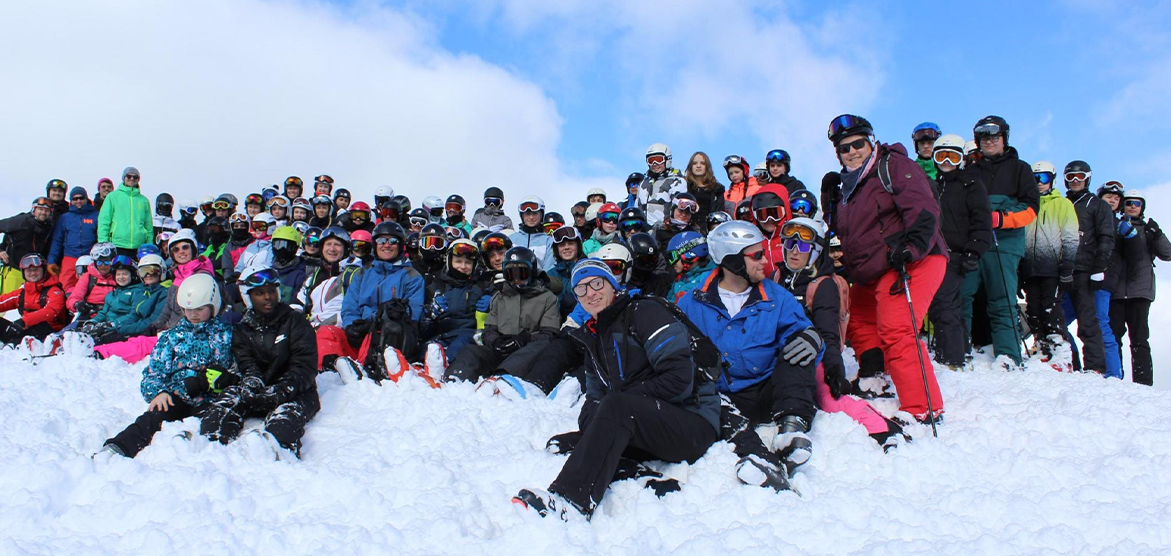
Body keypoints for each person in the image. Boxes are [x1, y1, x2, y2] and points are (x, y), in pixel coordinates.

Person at [512, 258, 719, 520]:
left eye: (597, 283)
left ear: (612, 285)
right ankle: (632, 469)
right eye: (581, 289)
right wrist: (596, 419)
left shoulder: (644, 313)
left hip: (692, 422)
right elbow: (594, 398)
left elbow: (679, 380)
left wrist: (617, 405)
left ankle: (571, 501)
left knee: (616, 407)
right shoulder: (593, 337)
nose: (591, 293)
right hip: (649, 422)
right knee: (568, 439)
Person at [675, 221, 819, 491]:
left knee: (797, 351)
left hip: (766, 390)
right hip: (721, 398)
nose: (765, 261)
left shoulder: (776, 296)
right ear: (731, 260)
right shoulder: (693, 301)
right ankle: (752, 451)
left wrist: (811, 337)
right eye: (756, 255)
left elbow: (800, 329)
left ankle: (791, 427)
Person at [821, 114, 947, 422]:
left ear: (871, 142)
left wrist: (912, 247)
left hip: (914, 260)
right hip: (874, 270)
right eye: (844, 148)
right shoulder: (848, 188)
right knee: (857, 316)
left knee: (897, 328)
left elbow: (923, 208)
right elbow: (845, 232)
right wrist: (830, 201)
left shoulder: (893, 166)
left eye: (858, 144)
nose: (852, 152)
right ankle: (876, 374)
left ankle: (922, 408)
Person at [772, 218, 909, 451]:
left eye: (803, 246)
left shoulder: (823, 285)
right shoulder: (777, 277)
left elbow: (828, 331)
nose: (794, 251)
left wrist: (834, 369)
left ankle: (882, 427)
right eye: (789, 244)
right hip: (781, 352)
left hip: (813, 353)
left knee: (828, 401)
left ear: (815, 251)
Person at [96, 274, 236, 459]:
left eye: (200, 309)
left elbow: (239, 369)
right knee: (154, 416)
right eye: (188, 309)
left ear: (213, 306)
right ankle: (119, 448)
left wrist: (228, 378)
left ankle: (197, 451)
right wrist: (159, 392)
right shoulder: (172, 337)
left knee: (220, 420)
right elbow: (153, 373)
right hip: (179, 395)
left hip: (212, 399)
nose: (193, 314)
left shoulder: (227, 335)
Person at [200, 267, 320, 458]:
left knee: (286, 415)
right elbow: (247, 363)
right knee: (228, 399)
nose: (267, 298)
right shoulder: (243, 328)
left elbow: (305, 365)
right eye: (259, 293)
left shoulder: (294, 321)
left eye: (272, 291)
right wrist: (252, 381)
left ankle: (278, 449)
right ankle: (210, 443)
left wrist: (283, 389)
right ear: (249, 297)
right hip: (261, 387)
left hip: (295, 390)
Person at [962, 116, 1040, 370]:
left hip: (1004, 244)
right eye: (985, 138)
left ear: (1004, 139)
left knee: (1002, 299)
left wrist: (1000, 216)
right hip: (973, 243)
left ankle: (1008, 355)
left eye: (995, 137)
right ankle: (959, 350)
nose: (990, 142)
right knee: (961, 296)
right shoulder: (970, 172)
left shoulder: (1020, 169)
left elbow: (1030, 209)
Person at [444, 247, 559, 384]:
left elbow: (549, 334)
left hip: (526, 350)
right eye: (511, 274)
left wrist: (523, 340)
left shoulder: (547, 298)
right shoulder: (499, 297)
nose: (516, 279)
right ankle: (457, 376)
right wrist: (495, 342)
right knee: (471, 350)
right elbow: (489, 330)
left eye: (521, 273)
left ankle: (503, 379)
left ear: (531, 272)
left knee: (540, 347)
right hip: (500, 348)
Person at [927, 135, 992, 369]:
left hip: (956, 254)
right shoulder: (932, 186)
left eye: (952, 156)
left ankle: (951, 358)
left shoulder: (971, 184)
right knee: (943, 304)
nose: (946, 161)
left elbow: (981, 221)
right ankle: (959, 350)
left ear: (961, 159)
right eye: (940, 155)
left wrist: (973, 251)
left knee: (945, 305)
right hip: (932, 255)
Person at [331, 221, 425, 378]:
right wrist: (351, 325)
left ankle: (365, 370)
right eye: (382, 241)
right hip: (361, 333)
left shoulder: (411, 276)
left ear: (400, 245)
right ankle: (329, 371)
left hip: (390, 336)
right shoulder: (363, 274)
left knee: (389, 328)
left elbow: (414, 313)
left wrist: (382, 317)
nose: (386, 245)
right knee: (329, 333)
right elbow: (350, 306)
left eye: (392, 241)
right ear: (375, 245)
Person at [1062, 160, 1116, 377]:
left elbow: (1106, 237)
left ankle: (1095, 367)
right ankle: (1070, 363)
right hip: (1062, 270)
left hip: (1085, 270)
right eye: (1070, 177)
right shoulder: (1062, 203)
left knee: (1088, 321)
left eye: (1080, 176)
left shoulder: (1097, 205)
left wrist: (1099, 268)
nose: (1075, 181)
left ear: (1088, 178)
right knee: (1058, 321)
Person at [1110, 189, 1170, 385]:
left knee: (1140, 339)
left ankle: (1143, 383)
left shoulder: (1148, 230)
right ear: (1123, 206)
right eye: (1129, 203)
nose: (1133, 206)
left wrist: (1157, 233)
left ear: (1142, 206)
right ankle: (1115, 378)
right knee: (1114, 336)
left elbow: (1168, 254)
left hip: (1140, 292)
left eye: (1137, 203)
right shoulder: (1115, 227)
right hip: (1116, 291)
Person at [1021, 161, 1079, 362]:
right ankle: (1042, 346)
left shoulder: (1062, 204)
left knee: (1050, 307)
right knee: (1033, 309)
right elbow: (1020, 238)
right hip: (1030, 268)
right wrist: (1020, 270)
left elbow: (1071, 237)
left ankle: (1060, 350)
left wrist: (1067, 267)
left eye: (1043, 178)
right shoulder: (1027, 205)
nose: (1039, 183)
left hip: (1052, 267)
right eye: (1034, 178)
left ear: (1052, 180)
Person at [419, 238, 487, 364]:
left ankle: (447, 365)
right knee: (427, 349)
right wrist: (430, 314)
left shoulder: (481, 286)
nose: (463, 267)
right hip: (443, 332)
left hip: (467, 333)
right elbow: (423, 327)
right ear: (449, 261)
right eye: (458, 261)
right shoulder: (436, 285)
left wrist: (490, 302)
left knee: (458, 347)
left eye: (468, 263)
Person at [79, 254, 168, 345]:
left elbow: (150, 320)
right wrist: (94, 322)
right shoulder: (143, 292)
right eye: (143, 272)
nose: (148, 275)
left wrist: (116, 327)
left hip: (145, 332)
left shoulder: (161, 292)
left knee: (100, 342)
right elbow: (134, 315)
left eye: (153, 271)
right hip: (130, 328)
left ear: (162, 271)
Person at [0, 254, 69, 343]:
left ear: (43, 270)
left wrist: (24, 321)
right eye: (29, 270)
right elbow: (3, 302)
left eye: (36, 270)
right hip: (26, 330)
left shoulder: (55, 291)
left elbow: (51, 311)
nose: (32, 273)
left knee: (40, 327)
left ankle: (14, 345)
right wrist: (22, 323)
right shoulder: (22, 293)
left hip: (50, 335)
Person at [0, 197, 55, 295]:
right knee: (7, 305)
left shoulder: (48, 227)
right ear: (34, 209)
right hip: (14, 271)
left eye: (47, 210)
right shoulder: (21, 221)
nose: (43, 213)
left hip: (35, 274)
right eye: (40, 209)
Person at [97, 167, 153, 258]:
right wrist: (103, 243)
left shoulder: (144, 200)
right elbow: (104, 220)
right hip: (117, 245)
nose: (131, 179)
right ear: (124, 178)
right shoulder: (113, 197)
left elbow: (148, 225)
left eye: (135, 177)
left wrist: (149, 244)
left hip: (138, 246)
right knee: (120, 271)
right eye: (129, 176)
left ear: (138, 179)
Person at [637, 143, 688, 228]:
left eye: (658, 159)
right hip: (644, 231)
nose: (654, 163)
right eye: (651, 160)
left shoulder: (676, 181)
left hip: (665, 231)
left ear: (667, 159)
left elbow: (680, 210)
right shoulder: (643, 183)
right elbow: (637, 207)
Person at [67, 242, 119, 321]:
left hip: (115, 317)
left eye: (107, 262)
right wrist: (77, 305)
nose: (103, 266)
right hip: (91, 317)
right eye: (99, 262)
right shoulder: (88, 277)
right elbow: (73, 298)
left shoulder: (120, 276)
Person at [546, 225, 585, 318]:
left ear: (578, 246)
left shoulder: (588, 270)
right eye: (562, 245)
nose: (566, 247)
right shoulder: (550, 275)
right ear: (556, 250)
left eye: (571, 243)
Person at [665, 231, 714, 302]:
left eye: (673, 257)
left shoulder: (708, 278)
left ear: (689, 254)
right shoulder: (680, 280)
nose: (672, 263)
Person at [684, 152, 726, 229]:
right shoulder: (683, 186)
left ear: (707, 167)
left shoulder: (717, 189)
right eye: (695, 163)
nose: (698, 166)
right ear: (691, 166)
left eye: (702, 163)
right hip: (687, 229)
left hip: (709, 230)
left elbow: (719, 211)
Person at [509, 196, 554, 269]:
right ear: (522, 216)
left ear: (541, 215)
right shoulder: (511, 239)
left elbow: (549, 269)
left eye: (535, 213)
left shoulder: (548, 241)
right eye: (527, 214)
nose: (531, 217)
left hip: (539, 279)